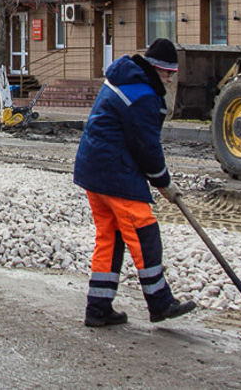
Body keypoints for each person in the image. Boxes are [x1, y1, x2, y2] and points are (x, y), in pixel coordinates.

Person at [72, 38, 196, 328]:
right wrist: (163, 182)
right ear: (156, 69)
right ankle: (160, 302)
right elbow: (146, 146)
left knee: (110, 237)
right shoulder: (142, 94)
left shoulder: (126, 79)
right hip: (115, 174)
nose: (169, 79)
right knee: (144, 233)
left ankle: (99, 307)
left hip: (94, 171)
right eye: (168, 74)